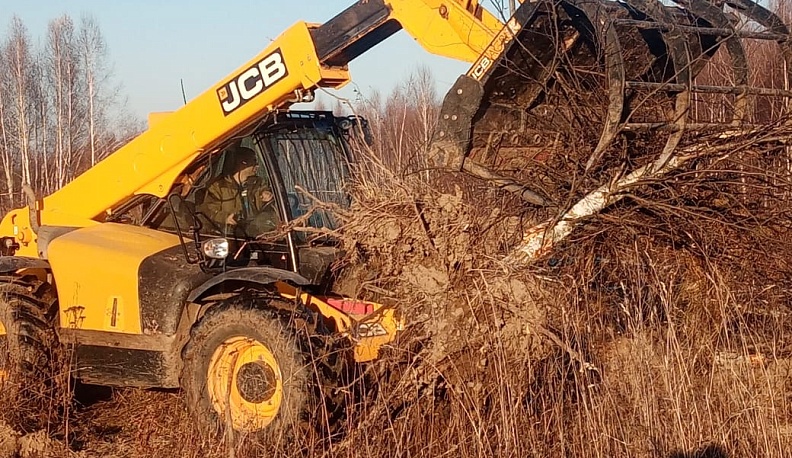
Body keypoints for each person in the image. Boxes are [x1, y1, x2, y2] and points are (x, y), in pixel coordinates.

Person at [200, 146, 279, 237]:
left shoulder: (258, 183)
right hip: (230, 237)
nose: (257, 166)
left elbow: (263, 191)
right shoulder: (218, 187)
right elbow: (208, 210)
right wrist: (226, 218)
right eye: (254, 162)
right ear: (243, 163)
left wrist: (266, 193)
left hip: (256, 234)